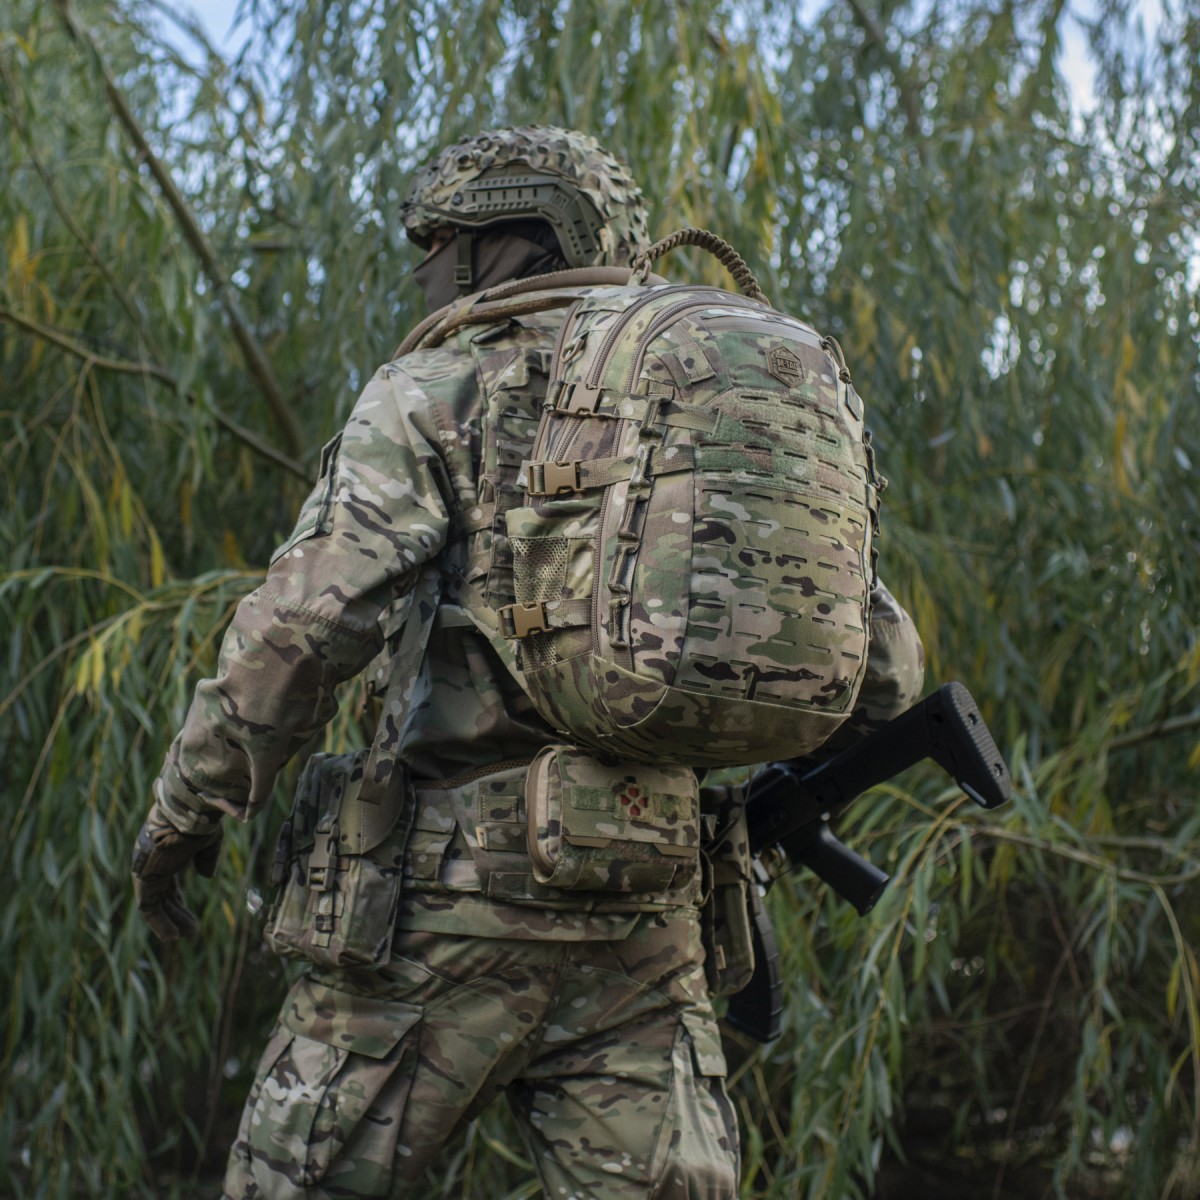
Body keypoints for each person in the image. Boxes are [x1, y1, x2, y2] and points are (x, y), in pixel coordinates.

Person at [131, 125, 925, 1200]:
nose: (421, 270)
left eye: (433, 244)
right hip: (646, 926)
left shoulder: (438, 386)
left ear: (491, 244)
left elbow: (300, 630)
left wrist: (186, 811)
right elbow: (883, 667)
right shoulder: (710, 399)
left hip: (433, 924)